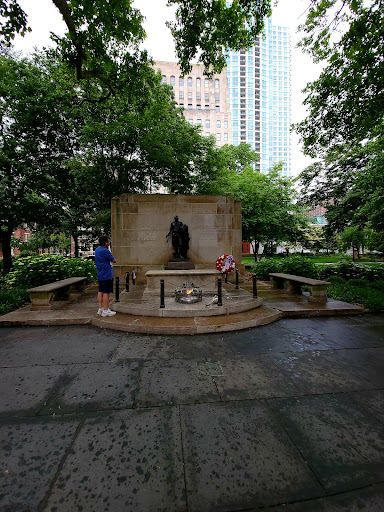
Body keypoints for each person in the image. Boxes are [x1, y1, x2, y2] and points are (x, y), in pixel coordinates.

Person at [95, 235, 117, 317]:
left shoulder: (97, 250)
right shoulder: (105, 251)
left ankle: (100, 308)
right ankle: (106, 310)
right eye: (108, 241)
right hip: (107, 274)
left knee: (100, 291)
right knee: (106, 292)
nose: (109, 242)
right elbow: (114, 260)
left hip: (100, 274)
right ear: (105, 243)